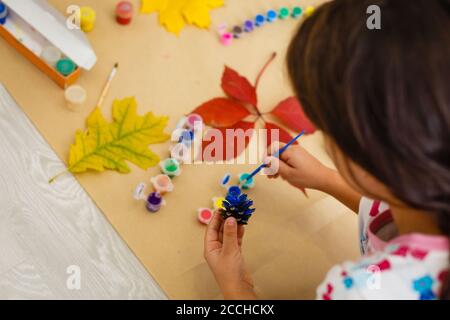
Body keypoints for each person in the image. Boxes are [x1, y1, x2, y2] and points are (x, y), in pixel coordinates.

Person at [204, 0, 449, 300]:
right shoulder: (427, 185)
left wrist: (235, 289)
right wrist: (326, 178)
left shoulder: (362, 291)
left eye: (325, 129)